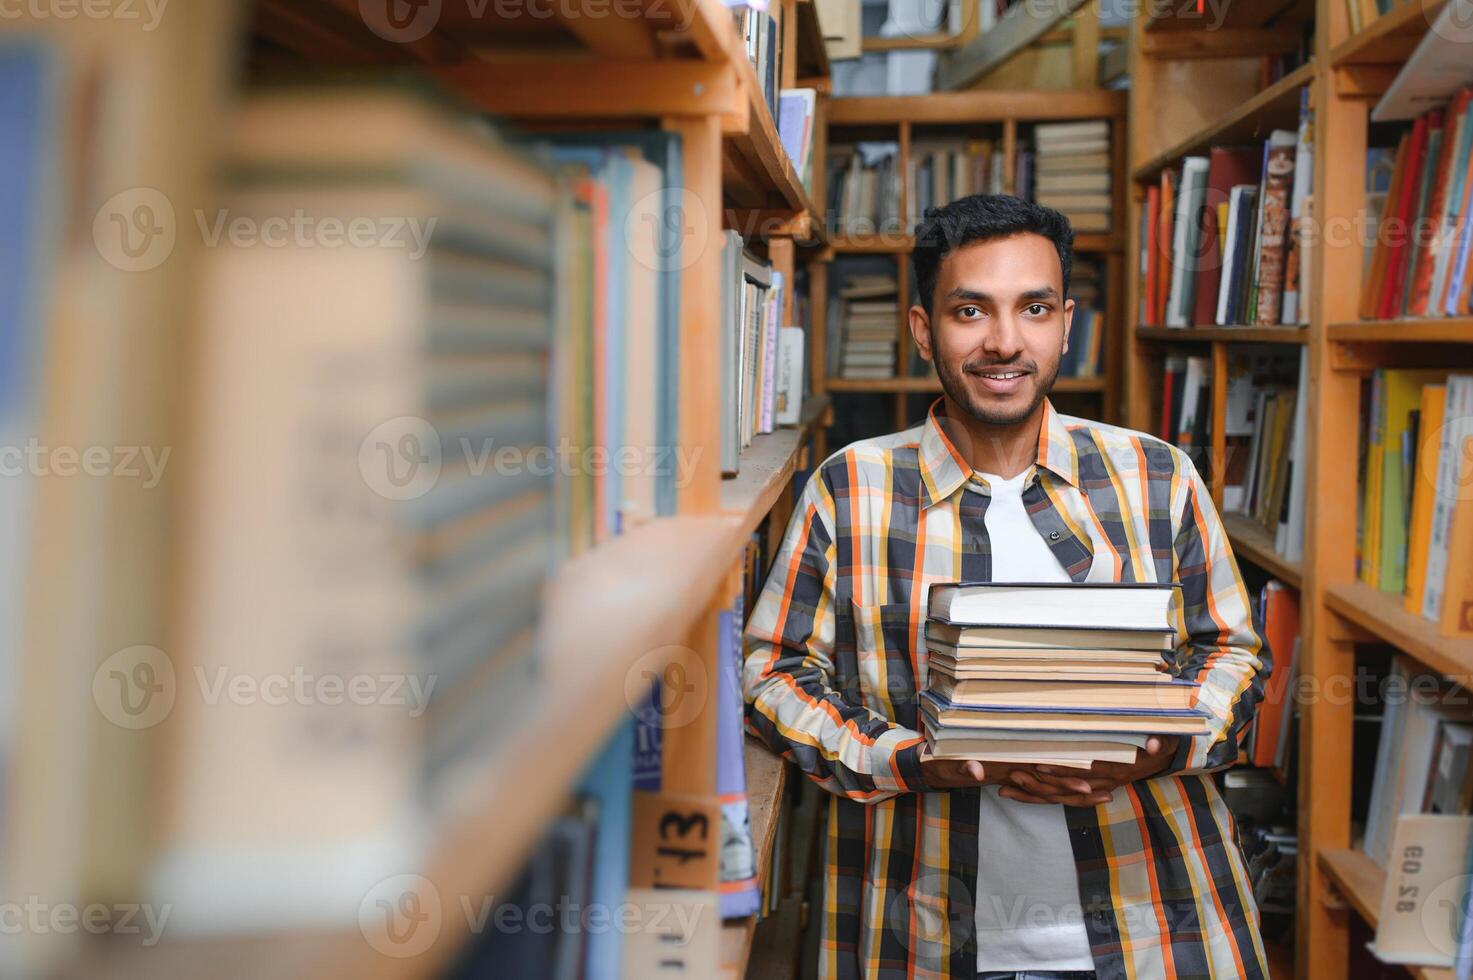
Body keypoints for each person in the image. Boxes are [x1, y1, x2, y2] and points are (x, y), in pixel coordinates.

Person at [742, 195, 1271, 980]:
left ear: (1064, 321)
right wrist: (907, 760)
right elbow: (768, 675)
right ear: (924, 329)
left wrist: (1153, 749)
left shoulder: (1156, 476)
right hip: (915, 933)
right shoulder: (848, 489)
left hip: (1156, 922)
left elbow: (1233, 655)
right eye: (969, 310)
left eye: (1032, 308)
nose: (1003, 342)